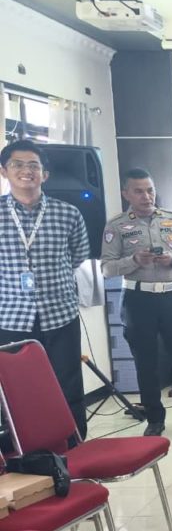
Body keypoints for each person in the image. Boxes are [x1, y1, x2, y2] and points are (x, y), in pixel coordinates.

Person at [100, 168, 172, 437]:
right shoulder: (116, 225)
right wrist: (133, 261)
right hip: (138, 299)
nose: (146, 196)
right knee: (145, 360)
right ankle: (154, 418)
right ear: (126, 194)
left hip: (171, 296)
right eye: (139, 191)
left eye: (150, 190)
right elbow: (106, 268)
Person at [0, 139, 90, 438]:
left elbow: (78, 256)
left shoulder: (68, 213)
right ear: (4, 171)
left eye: (34, 165)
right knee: (17, 389)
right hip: (10, 318)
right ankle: (27, 452)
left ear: (45, 174)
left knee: (68, 384)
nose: (26, 171)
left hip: (59, 314)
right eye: (17, 164)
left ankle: (75, 447)